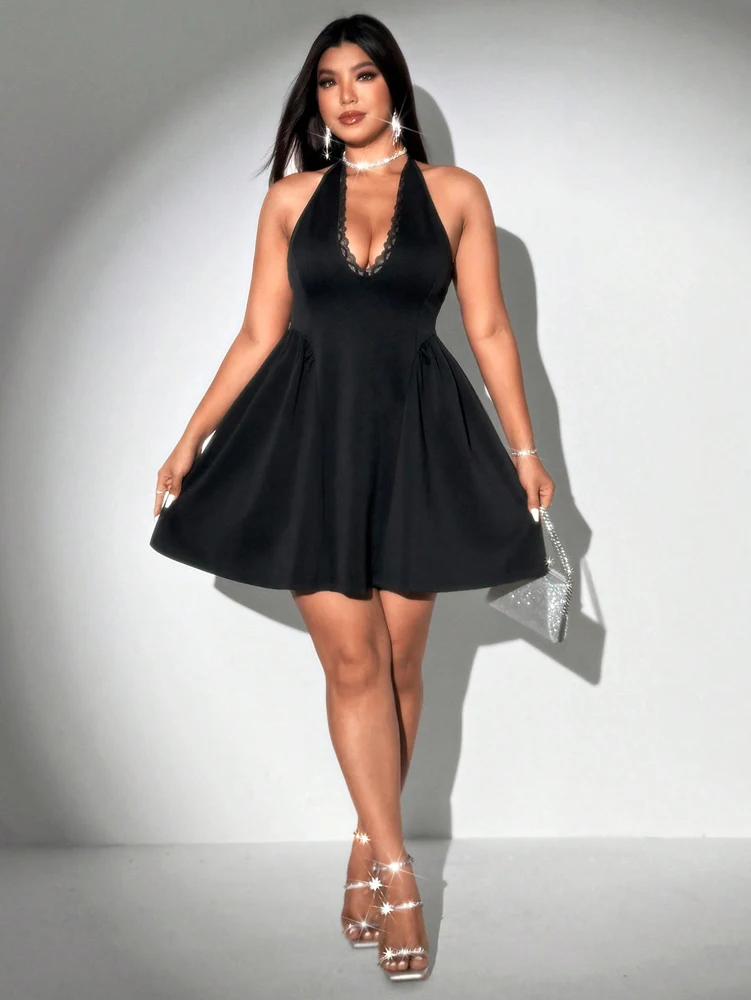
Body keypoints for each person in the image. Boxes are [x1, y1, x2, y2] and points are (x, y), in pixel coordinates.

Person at [149, 12, 555, 982]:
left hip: (418, 439)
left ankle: (365, 843)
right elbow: (259, 333)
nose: (345, 95)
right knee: (352, 659)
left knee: (402, 665)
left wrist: (526, 450)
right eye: (328, 81)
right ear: (315, 100)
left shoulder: (456, 193)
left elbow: (492, 332)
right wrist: (190, 435)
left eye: (362, 76)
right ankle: (401, 877)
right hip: (309, 444)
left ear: (391, 87)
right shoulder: (288, 201)